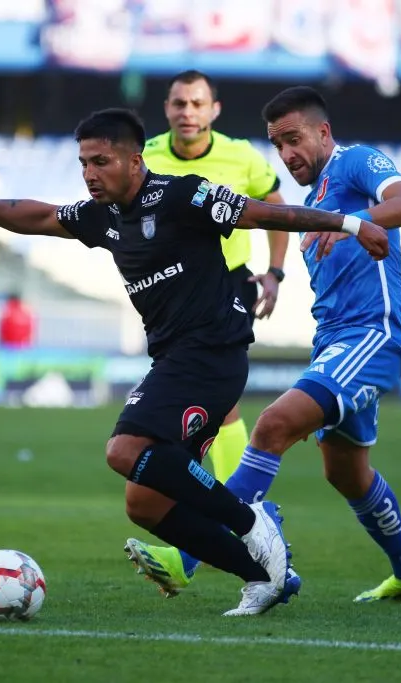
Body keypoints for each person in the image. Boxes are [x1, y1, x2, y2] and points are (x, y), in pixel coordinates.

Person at [0, 108, 389, 615]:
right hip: (177, 359)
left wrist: (349, 223)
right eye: (83, 162)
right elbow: (38, 216)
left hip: (211, 354)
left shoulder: (182, 195)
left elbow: (262, 213)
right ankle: (263, 578)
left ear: (134, 159)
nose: (89, 173)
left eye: (100, 161)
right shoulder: (103, 216)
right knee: (143, 504)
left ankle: (251, 520)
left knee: (123, 449)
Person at [127, 87, 401, 603]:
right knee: (347, 473)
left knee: (271, 425)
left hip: (372, 336)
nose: (288, 154)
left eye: (295, 139)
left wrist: (355, 225)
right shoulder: (311, 203)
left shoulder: (356, 162)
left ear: (323, 131)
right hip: (333, 341)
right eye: (278, 144)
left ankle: (185, 559)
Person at [143, 70, 289, 484]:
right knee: (179, 401)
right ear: (167, 108)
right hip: (168, 291)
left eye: (197, 103)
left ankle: (238, 506)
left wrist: (275, 272)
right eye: (179, 103)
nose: (187, 111)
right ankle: (213, 512)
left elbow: (275, 210)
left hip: (228, 286)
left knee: (222, 402)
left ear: (214, 109)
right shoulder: (146, 158)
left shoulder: (241, 156)